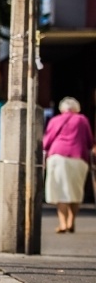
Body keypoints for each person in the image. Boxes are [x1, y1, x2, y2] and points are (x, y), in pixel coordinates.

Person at [42, 97, 94, 233]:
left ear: (61, 109)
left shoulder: (55, 120)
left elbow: (47, 142)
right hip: (78, 158)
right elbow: (89, 141)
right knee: (75, 191)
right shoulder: (82, 120)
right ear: (77, 109)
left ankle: (63, 223)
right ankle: (71, 221)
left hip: (58, 156)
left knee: (60, 191)